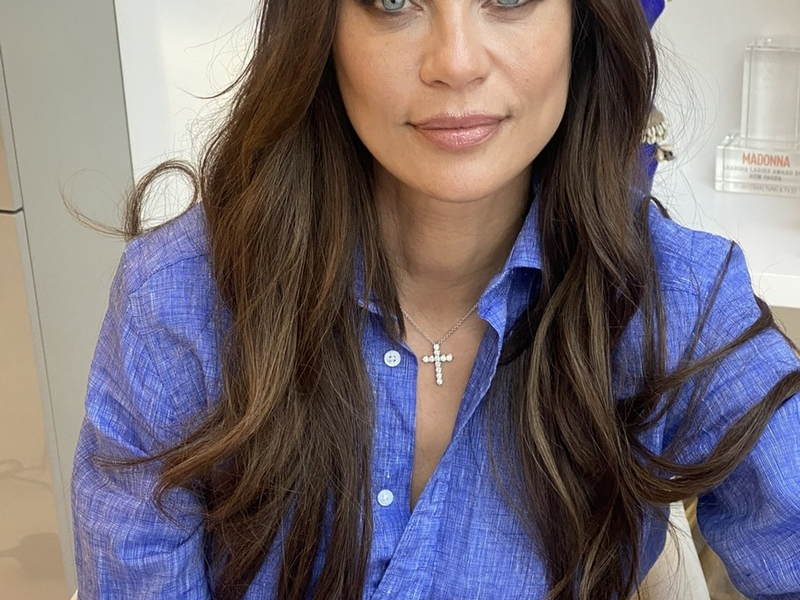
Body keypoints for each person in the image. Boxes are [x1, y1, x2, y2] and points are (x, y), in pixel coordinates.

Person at [70, 0, 800, 598]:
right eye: (394, 0)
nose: (455, 61)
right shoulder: (180, 296)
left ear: (582, 23)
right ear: (321, 31)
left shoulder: (676, 298)